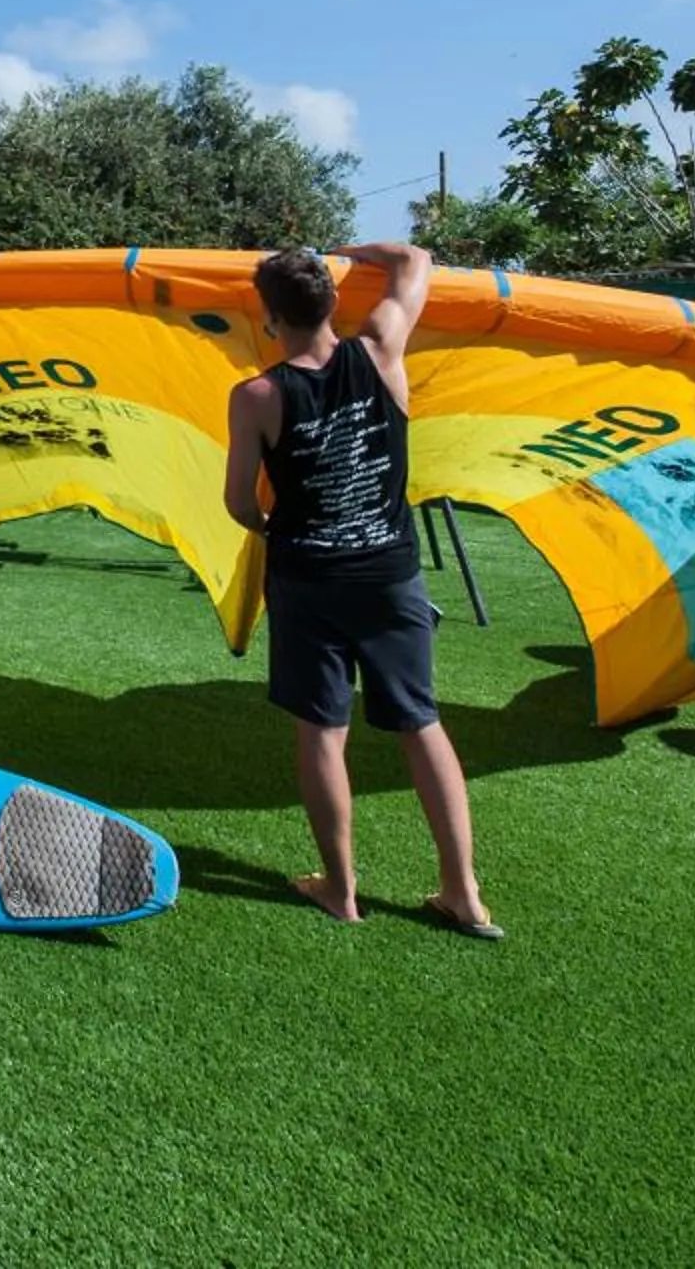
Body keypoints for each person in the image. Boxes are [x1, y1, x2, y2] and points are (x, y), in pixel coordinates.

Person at [221, 242, 501, 939]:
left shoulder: (256, 396)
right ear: (333, 302)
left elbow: (236, 504)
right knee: (419, 720)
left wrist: (277, 530)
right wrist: (343, 251)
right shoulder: (380, 349)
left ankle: (341, 891)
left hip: (308, 577)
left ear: (268, 317)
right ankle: (462, 892)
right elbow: (415, 259)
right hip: (389, 572)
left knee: (323, 729)